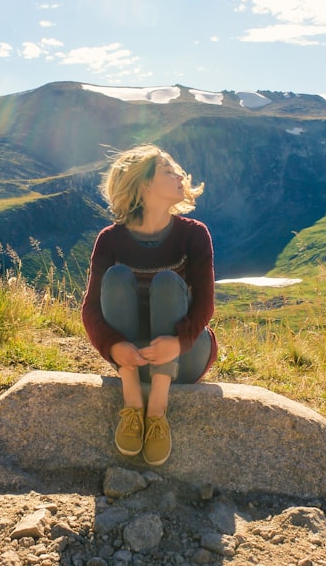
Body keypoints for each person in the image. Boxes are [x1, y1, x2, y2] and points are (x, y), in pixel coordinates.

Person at [82, 144, 217, 466]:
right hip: (133, 356)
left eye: (177, 169)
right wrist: (114, 348)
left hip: (184, 354)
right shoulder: (110, 239)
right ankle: (132, 402)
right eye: (168, 171)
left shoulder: (194, 234)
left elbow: (205, 307)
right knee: (115, 277)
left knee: (168, 282)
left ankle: (156, 410)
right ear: (144, 184)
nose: (180, 175)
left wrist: (178, 342)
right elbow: (90, 310)